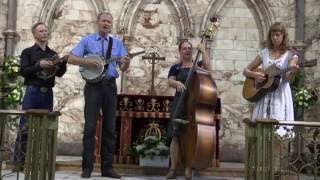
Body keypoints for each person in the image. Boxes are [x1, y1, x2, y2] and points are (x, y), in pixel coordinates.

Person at [67, 12, 130, 179]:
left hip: (110, 87)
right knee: (89, 128)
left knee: (110, 129)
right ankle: (86, 168)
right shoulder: (87, 40)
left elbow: (123, 67)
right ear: (98, 22)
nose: (106, 23)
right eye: (103, 20)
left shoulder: (117, 43)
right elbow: (70, 58)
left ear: (111, 24)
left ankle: (107, 169)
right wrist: (87, 62)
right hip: (93, 88)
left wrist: (126, 62)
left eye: (109, 21)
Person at [14, 22, 67, 169]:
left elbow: (60, 74)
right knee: (25, 126)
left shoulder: (53, 54)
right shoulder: (27, 52)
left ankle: (41, 162)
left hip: (47, 93)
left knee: (45, 127)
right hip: (32, 92)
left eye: (46, 30)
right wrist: (39, 66)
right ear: (34, 34)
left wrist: (63, 63)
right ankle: (19, 163)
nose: (44, 33)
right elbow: (23, 71)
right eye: (41, 31)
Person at [243, 22, 299, 136]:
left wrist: (292, 72)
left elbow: (288, 79)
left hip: (280, 96)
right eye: (272, 35)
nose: (274, 38)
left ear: (283, 36)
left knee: (279, 134)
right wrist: (255, 75)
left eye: (277, 35)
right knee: (260, 133)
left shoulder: (290, 54)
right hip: (263, 95)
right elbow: (246, 70)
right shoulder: (264, 53)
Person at [166, 40, 211, 179]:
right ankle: (173, 168)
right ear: (180, 51)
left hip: (194, 106)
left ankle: (189, 167)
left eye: (189, 48)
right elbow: (170, 80)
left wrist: (203, 51)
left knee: (191, 137)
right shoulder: (176, 67)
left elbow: (209, 71)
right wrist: (177, 83)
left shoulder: (197, 66)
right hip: (179, 103)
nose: (187, 50)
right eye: (184, 48)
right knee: (175, 135)